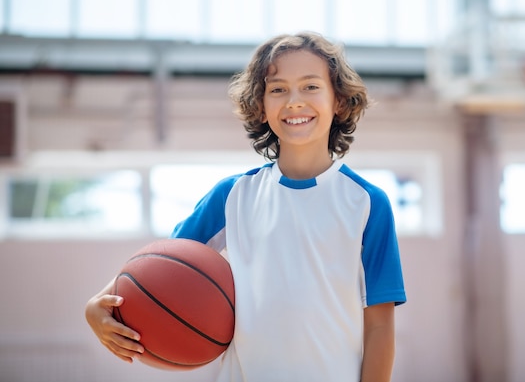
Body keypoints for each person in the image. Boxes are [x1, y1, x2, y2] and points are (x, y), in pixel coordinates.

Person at [85, 32, 406, 382]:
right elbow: (157, 269)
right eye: (278, 89)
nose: (294, 101)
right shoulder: (232, 195)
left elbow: (379, 326)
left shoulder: (367, 203)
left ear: (339, 101)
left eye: (311, 86)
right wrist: (95, 307)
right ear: (261, 106)